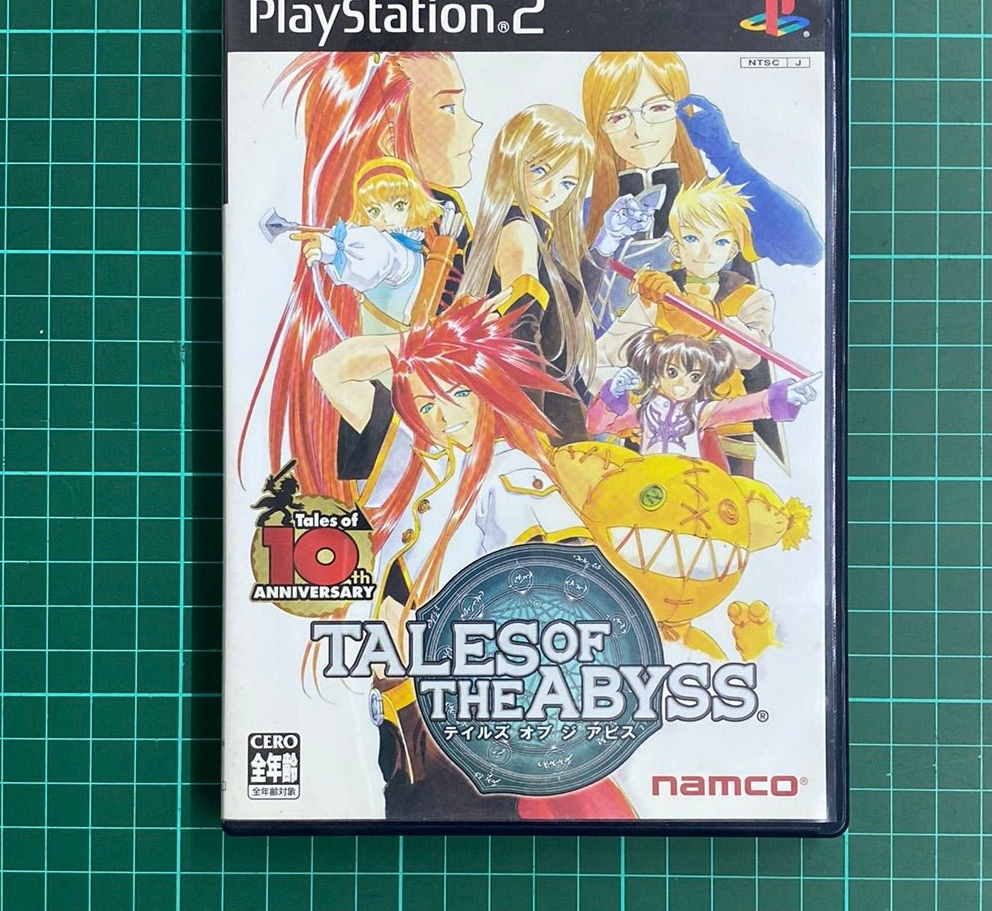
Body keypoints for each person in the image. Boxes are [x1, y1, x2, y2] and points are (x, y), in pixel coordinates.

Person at [313, 300, 633, 822]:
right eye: (426, 403)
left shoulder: (511, 470)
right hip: (398, 695)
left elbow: (570, 573)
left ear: (486, 390)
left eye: (459, 393)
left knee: (470, 822)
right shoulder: (408, 448)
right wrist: (423, 346)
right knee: (406, 813)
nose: (444, 416)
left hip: (466, 701)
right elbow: (332, 367)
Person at [240, 51, 482, 499]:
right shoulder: (385, 238)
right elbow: (373, 257)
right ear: (391, 139)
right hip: (401, 414)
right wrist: (331, 250)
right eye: (449, 107)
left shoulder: (440, 216)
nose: (474, 125)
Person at [580, 51, 823, 333]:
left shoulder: (722, 200)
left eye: (657, 108)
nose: (639, 131)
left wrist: (727, 158)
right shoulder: (580, 215)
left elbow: (806, 249)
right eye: (618, 116)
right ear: (599, 127)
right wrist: (604, 245)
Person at [596, 175, 783, 476]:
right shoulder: (656, 294)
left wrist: (694, 310)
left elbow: (751, 356)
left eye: (720, 241)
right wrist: (629, 406)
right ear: (676, 248)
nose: (705, 252)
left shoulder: (752, 299)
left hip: (725, 431)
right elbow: (602, 356)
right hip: (657, 431)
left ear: (732, 250)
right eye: (693, 239)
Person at [460, 104, 601, 443]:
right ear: (510, 162)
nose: (552, 191)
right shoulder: (519, 230)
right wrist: (530, 427)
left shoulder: (535, 233)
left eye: (567, 182)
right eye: (539, 170)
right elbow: (521, 331)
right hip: (538, 408)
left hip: (550, 400)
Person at [588, 327, 819, 469]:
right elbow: (596, 425)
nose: (682, 383)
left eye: (695, 377)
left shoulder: (700, 412)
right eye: (672, 372)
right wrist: (613, 393)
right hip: (650, 481)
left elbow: (740, 408)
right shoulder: (643, 412)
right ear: (656, 372)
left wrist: (782, 397)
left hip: (693, 485)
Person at [293, 156, 459, 336]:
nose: (387, 219)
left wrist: (331, 250)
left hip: (391, 347)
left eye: (399, 205)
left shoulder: (403, 249)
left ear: (414, 204)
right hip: (381, 346)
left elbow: (379, 252)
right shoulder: (396, 248)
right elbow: (375, 249)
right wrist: (331, 248)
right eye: (375, 211)